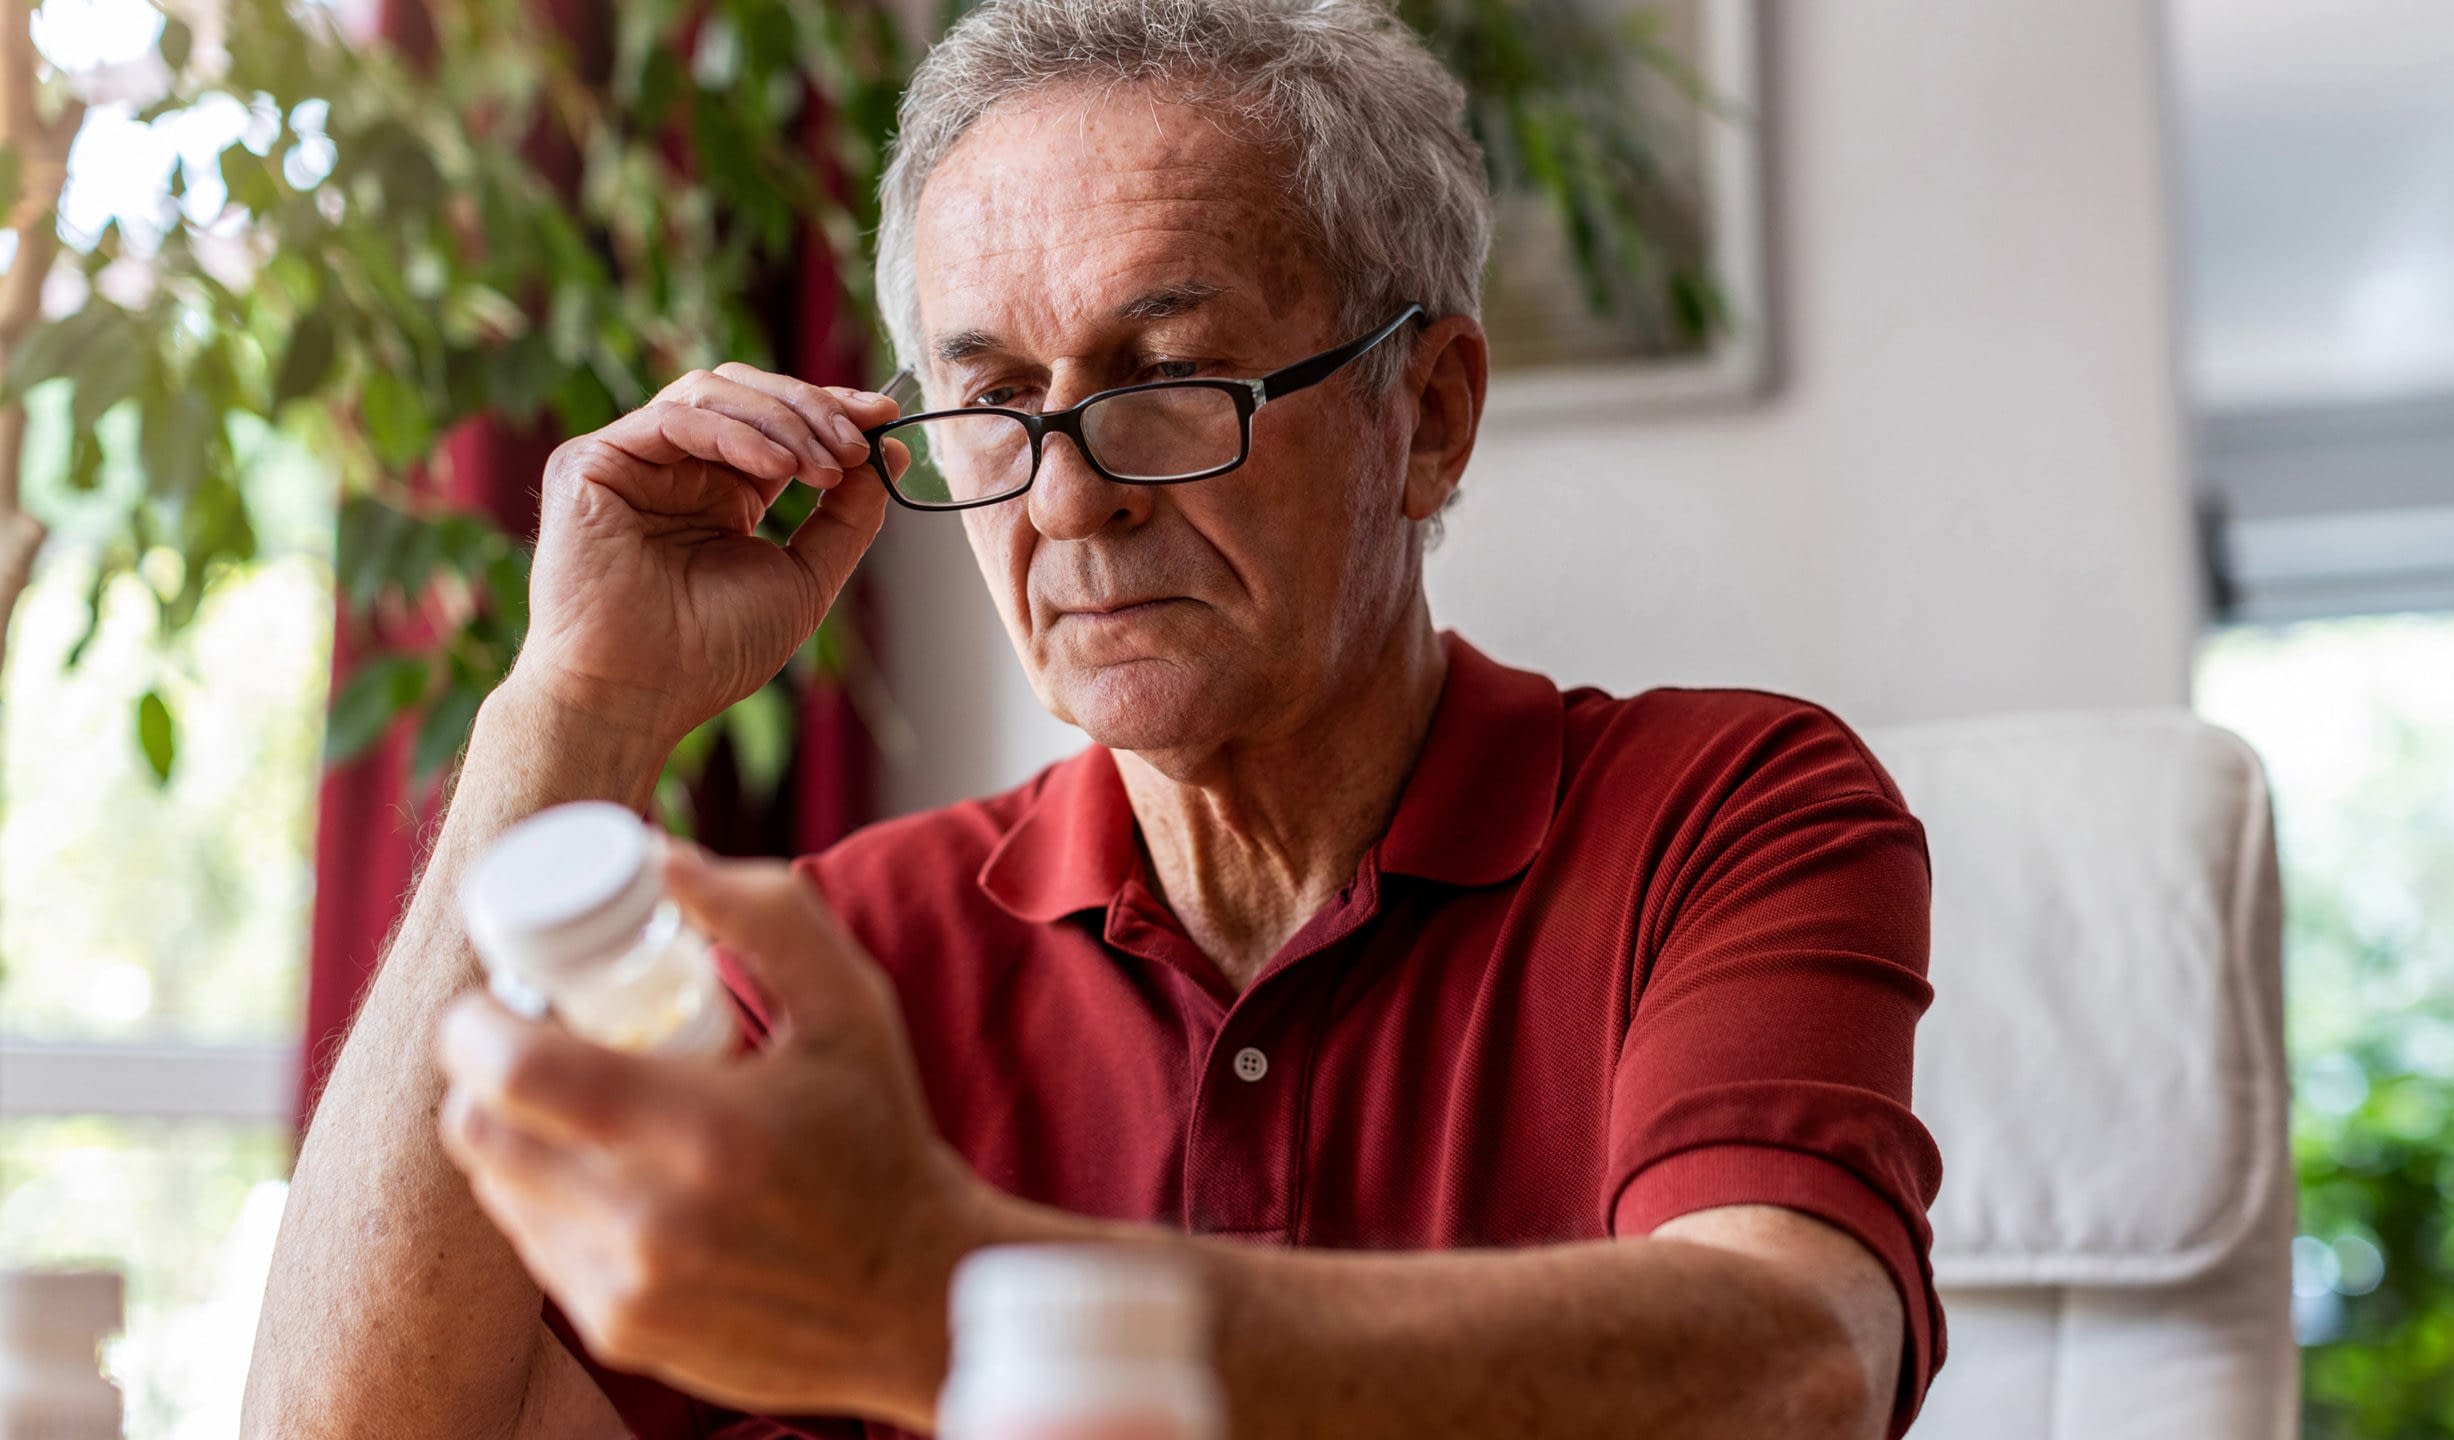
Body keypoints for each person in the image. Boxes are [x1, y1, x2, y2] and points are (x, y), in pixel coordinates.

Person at [245, 2, 1945, 1436]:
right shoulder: (835, 958)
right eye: (993, 401)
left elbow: (1794, 1366)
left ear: (1425, 417)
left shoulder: (1723, 810)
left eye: (1165, 379)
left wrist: (949, 1304)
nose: (1068, 502)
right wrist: (577, 710)